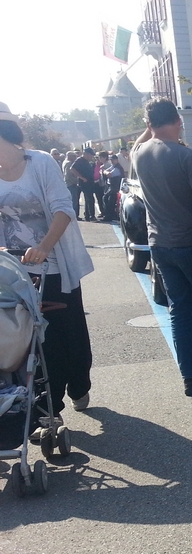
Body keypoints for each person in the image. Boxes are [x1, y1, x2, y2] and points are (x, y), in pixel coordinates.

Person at [132, 98, 192, 396]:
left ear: (149, 125)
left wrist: (149, 128)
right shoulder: (186, 157)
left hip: (159, 244)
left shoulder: (139, 153)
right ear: (178, 120)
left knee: (179, 310)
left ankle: (191, 376)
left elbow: (143, 138)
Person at [0, 103, 94, 418]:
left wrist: (42, 247)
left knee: (71, 337)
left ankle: (79, 385)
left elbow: (63, 209)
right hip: (15, 273)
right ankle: (47, 406)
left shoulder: (40, 163)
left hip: (54, 267)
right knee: (35, 342)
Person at [70, 147, 96, 221]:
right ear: (86, 154)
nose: (92, 157)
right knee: (89, 199)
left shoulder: (87, 161)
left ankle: (88, 215)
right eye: (91, 155)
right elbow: (72, 169)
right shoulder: (80, 160)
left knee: (89, 199)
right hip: (84, 182)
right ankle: (91, 216)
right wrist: (81, 177)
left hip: (89, 182)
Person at [100, 153, 123, 222]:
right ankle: (110, 215)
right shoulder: (113, 166)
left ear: (117, 160)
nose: (112, 161)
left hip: (115, 187)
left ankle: (109, 216)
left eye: (113, 160)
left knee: (110, 201)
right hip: (111, 186)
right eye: (111, 160)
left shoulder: (118, 168)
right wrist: (105, 171)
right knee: (106, 199)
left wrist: (104, 171)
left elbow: (109, 174)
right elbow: (106, 171)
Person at [62, 150, 81, 219]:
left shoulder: (64, 162)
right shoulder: (69, 163)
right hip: (71, 184)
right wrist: (76, 181)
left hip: (67, 184)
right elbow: (68, 175)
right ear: (70, 156)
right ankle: (74, 216)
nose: (75, 158)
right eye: (74, 156)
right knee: (74, 201)